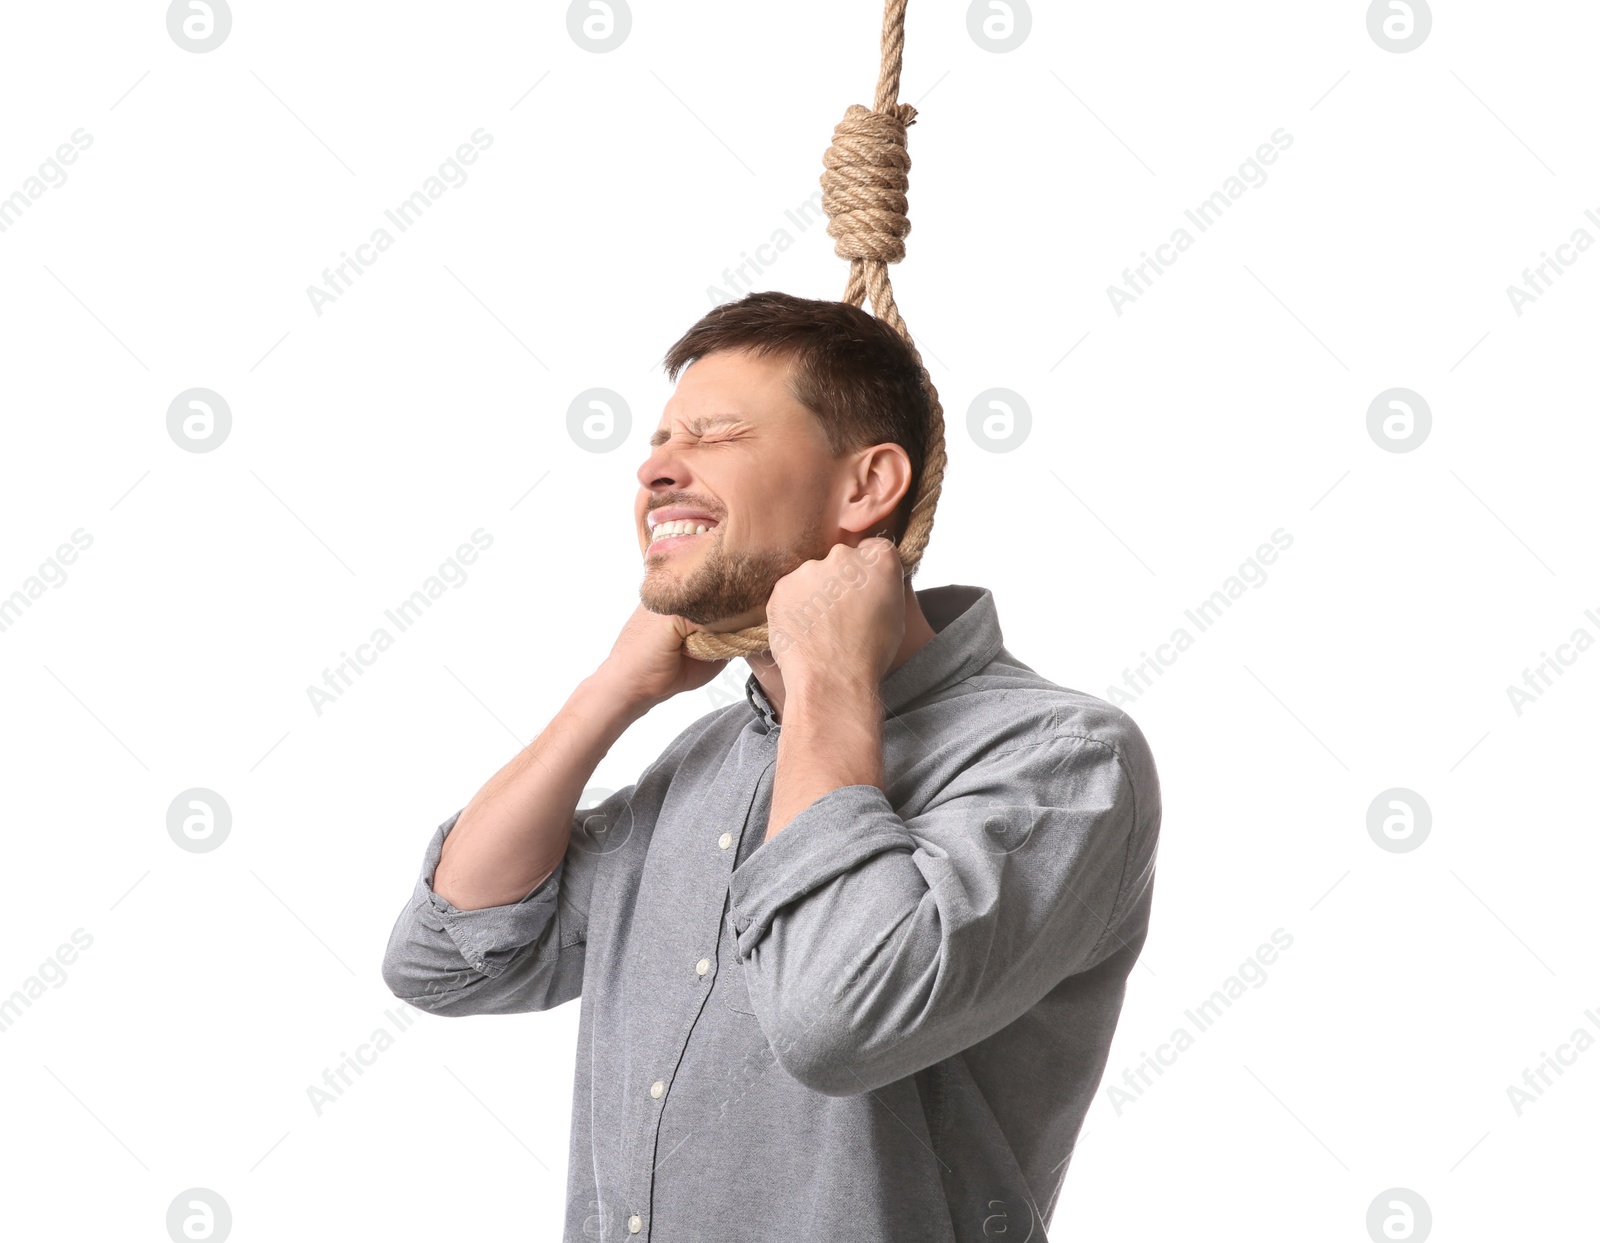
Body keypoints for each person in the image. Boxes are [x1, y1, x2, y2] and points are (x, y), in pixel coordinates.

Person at [382, 291, 1162, 1242]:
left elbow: (836, 1020)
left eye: (714, 435)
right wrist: (611, 694)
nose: (655, 467)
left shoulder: (1065, 760)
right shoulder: (703, 761)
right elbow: (442, 962)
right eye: (661, 439)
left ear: (866, 487)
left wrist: (829, 671)